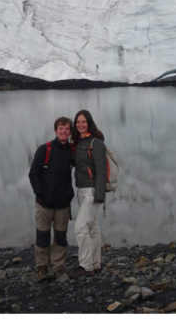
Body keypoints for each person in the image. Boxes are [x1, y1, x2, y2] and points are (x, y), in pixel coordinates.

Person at [28, 116, 74, 282]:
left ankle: (58, 266)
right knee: (42, 236)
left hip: (63, 204)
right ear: (56, 131)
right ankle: (42, 267)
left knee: (61, 237)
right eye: (61, 128)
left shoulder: (71, 150)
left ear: (70, 132)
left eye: (67, 129)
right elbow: (33, 174)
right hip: (44, 204)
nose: (64, 131)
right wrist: (41, 193)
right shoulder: (44, 149)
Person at [72, 109, 107, 277]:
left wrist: (100, 195)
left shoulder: (96, 143)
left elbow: (101, 171)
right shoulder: (78, 143)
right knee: (92, 227)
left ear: (89, 123)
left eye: (83, 121)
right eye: (78, 121)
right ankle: (95, 262)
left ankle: (85, 266)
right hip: (81, 190)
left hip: (92, 191)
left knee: (80, 227)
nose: (80, 124)